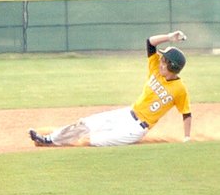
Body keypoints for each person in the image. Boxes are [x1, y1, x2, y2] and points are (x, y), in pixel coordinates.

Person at [28, 30, 191, 147]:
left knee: (93, 140)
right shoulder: (155, 69)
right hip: (126, 114)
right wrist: (170, 37)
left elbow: (186, 113)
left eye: (165, 60)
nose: (161, 61)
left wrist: (187, 138)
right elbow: (149, 42)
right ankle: (48, 139)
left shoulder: (179, 89)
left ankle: (57, 140)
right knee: (86, 124)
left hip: (136, 129)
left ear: (172, 66)